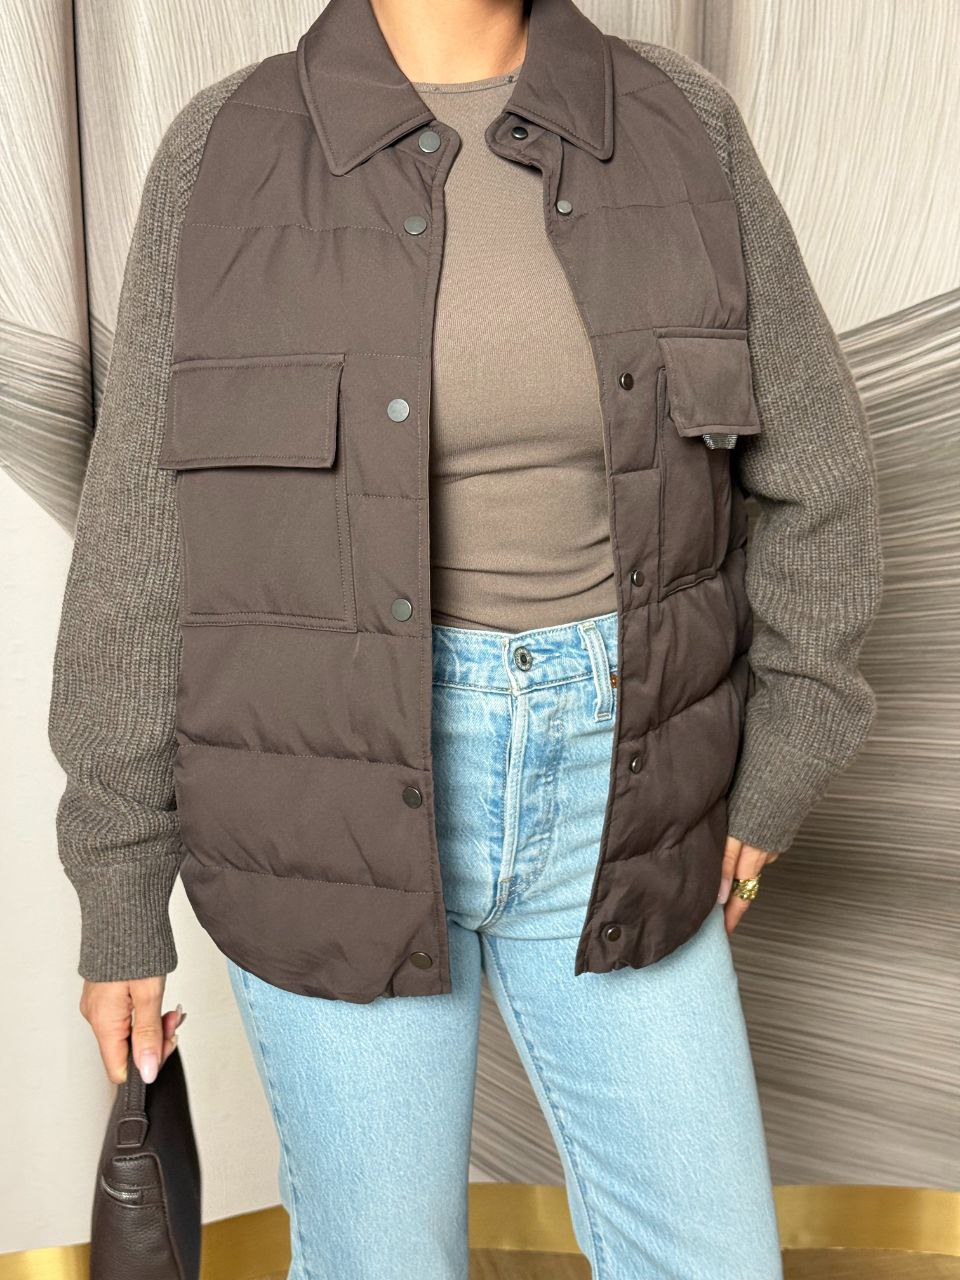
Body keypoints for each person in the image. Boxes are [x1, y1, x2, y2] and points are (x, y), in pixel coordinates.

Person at [47, 0, 883, 1275]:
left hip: (629, 787)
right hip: (318, 806)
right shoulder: (223, 152)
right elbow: (139, 548)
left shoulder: (683, 125)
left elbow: (820, 479)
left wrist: (782, 761)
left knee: (711, 1255)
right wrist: (119, 894)